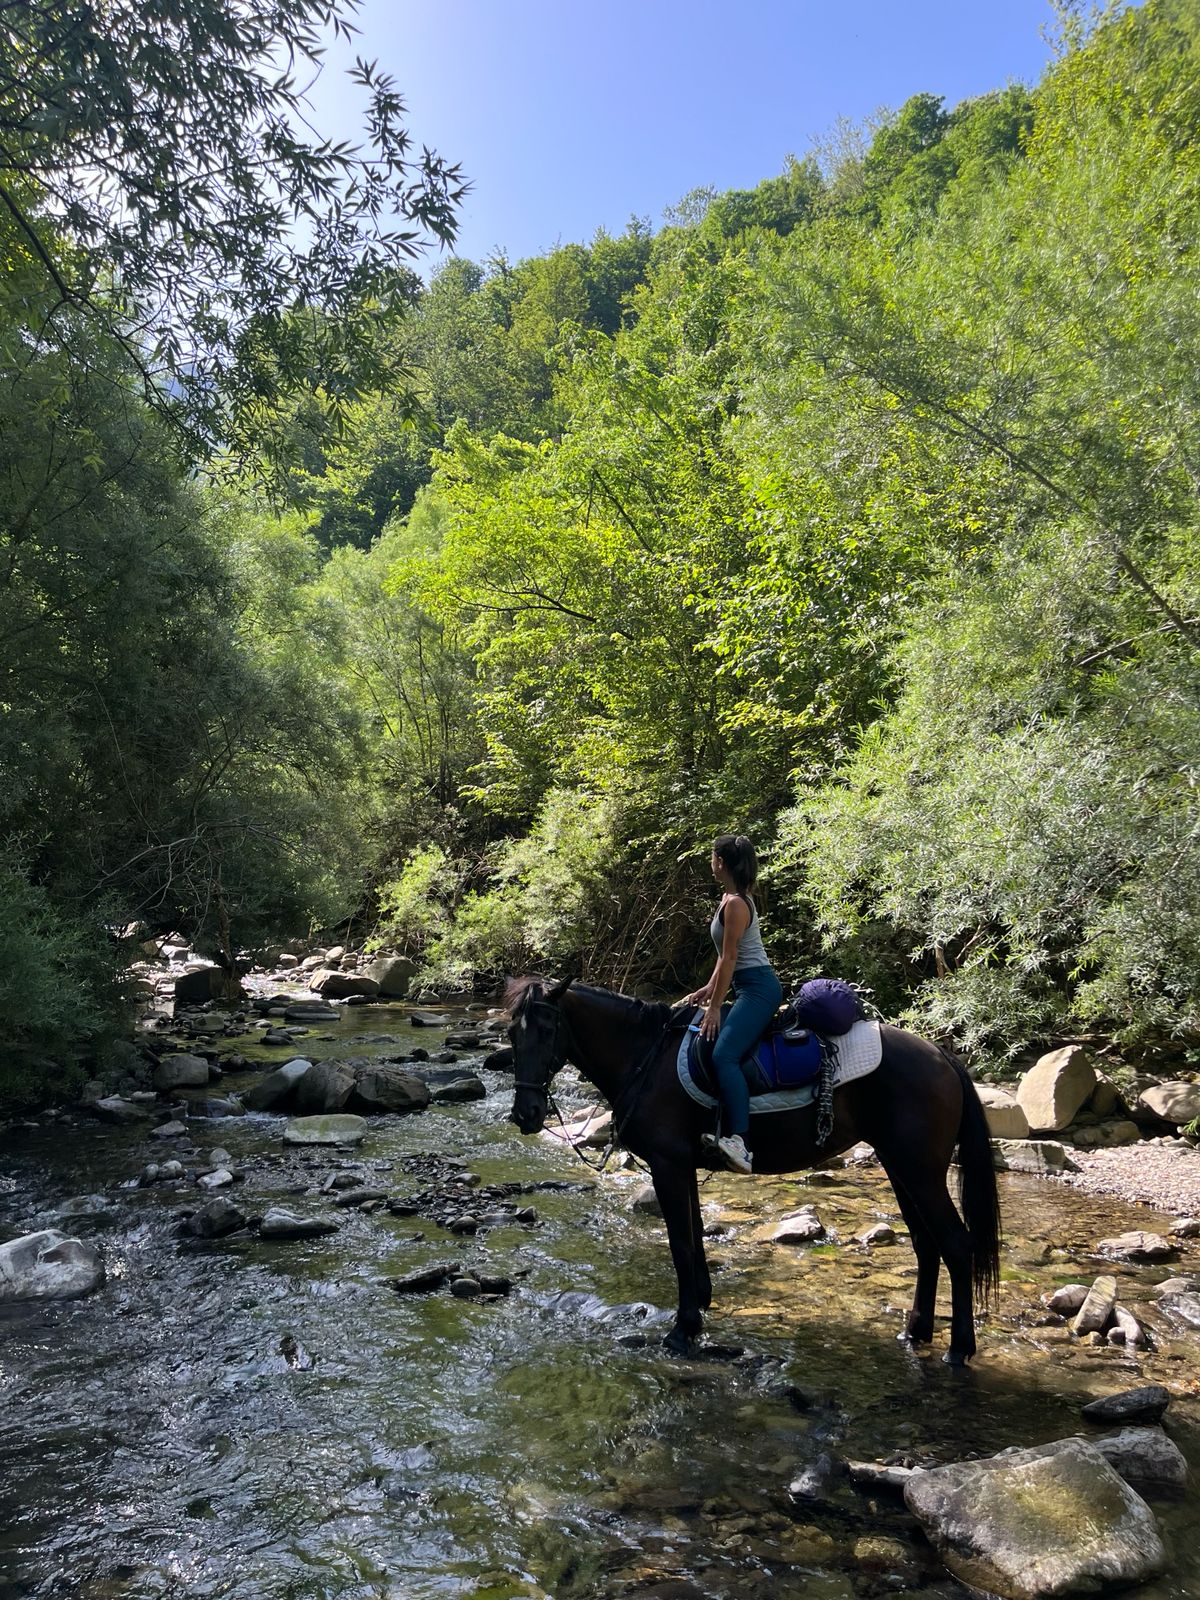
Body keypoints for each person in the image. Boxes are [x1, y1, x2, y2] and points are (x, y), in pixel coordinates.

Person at [682, 833, 783, 1173]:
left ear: (721, 862)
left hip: (759, 989)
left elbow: (731, 958)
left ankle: (741, 1141)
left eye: (712, 858)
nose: (711, 863)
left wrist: (714, 1008)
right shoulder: (729, 898)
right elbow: (723, 959)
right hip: (744, 985)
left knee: (725, 1055)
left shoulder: (737, 904)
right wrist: (706, 990)